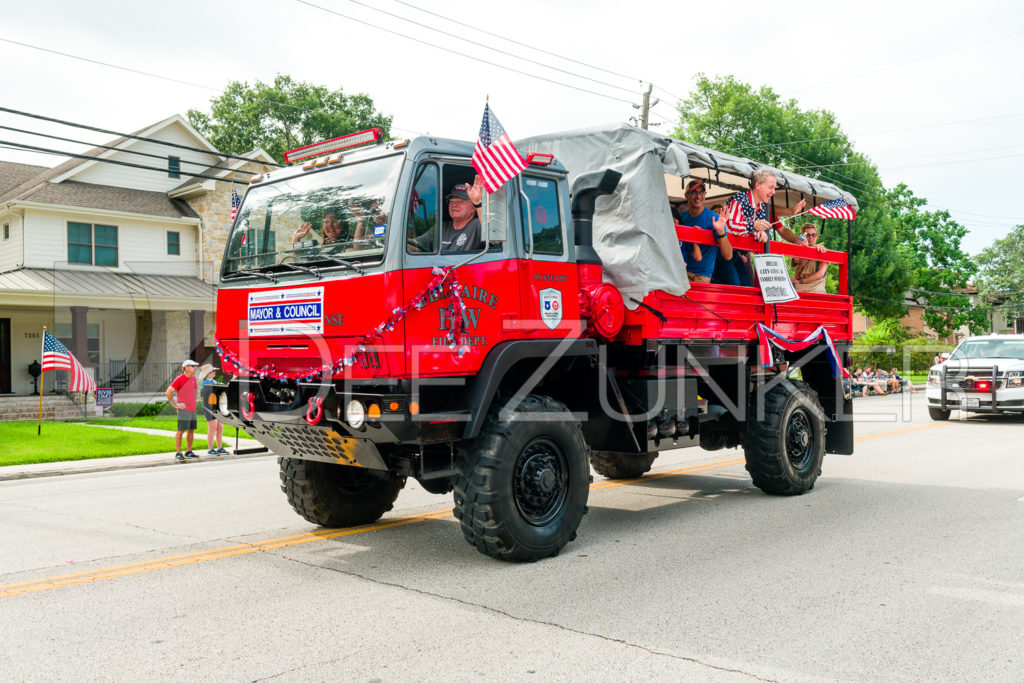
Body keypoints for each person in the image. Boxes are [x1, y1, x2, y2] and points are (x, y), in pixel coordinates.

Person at [722, 169, 826, 286]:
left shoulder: (762, 206)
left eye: (774, 188)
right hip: (725, 252)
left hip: (741, 255)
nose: (773, 192)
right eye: (771, 187)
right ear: (758, 185)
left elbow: (760, 231)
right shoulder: (739, 200)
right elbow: (730, 226)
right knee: (736, 286)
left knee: (747, 287)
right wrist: (754, 226)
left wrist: (760, 234)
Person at [678, 180, 732, 284]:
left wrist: (721, 232)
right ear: (686, 195)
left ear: (705, 195)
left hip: (701, 276)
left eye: (701, 192)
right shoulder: (681, 217)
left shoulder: (715, 218)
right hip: (680, 272)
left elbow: (728, 255)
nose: (698, 196)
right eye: (694, 192)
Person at [410, 177, 484, 252]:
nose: (454, 204)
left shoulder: (477, 225)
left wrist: (478, 204)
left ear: (473, 207)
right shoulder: (442, 228)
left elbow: (491, 236)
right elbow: (415, 245)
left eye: (460, 201)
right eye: (451, 201)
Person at [166, 359, 199, 462]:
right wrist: (175, 405)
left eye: (195, 366)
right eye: (193, 366)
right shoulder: (179, 379)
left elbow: (195, 389)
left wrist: (195, 400)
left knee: (191, 430)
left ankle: (188, 451)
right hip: (183, 410)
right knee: (180, 431)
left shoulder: (193, 378)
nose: (195, 368)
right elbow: (168, 392)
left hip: (192, 409)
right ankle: (178, 452)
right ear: (186, 367)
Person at [791, 223, 829, 293]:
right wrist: (804, 248)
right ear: (803, 236)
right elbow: (796, 262)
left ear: (817, 237)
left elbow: (820, 274)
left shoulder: (821, 250)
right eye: (808, 235)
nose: (811, 237)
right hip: (799, 288)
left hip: (814, 290)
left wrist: (800, 281)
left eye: (813, 235)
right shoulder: (798, 250)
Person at [198, 363, 226, 455]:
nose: (215, 372)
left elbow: (223, 386)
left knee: (220, 428)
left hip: (216, 407)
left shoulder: (213, 381)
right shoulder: (206, 383)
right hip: (209, 408)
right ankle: (211, 449)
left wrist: (233, 379)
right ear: (208, 373)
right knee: (212, 428)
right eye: (213, 371)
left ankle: (220, 448)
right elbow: (218, 388)